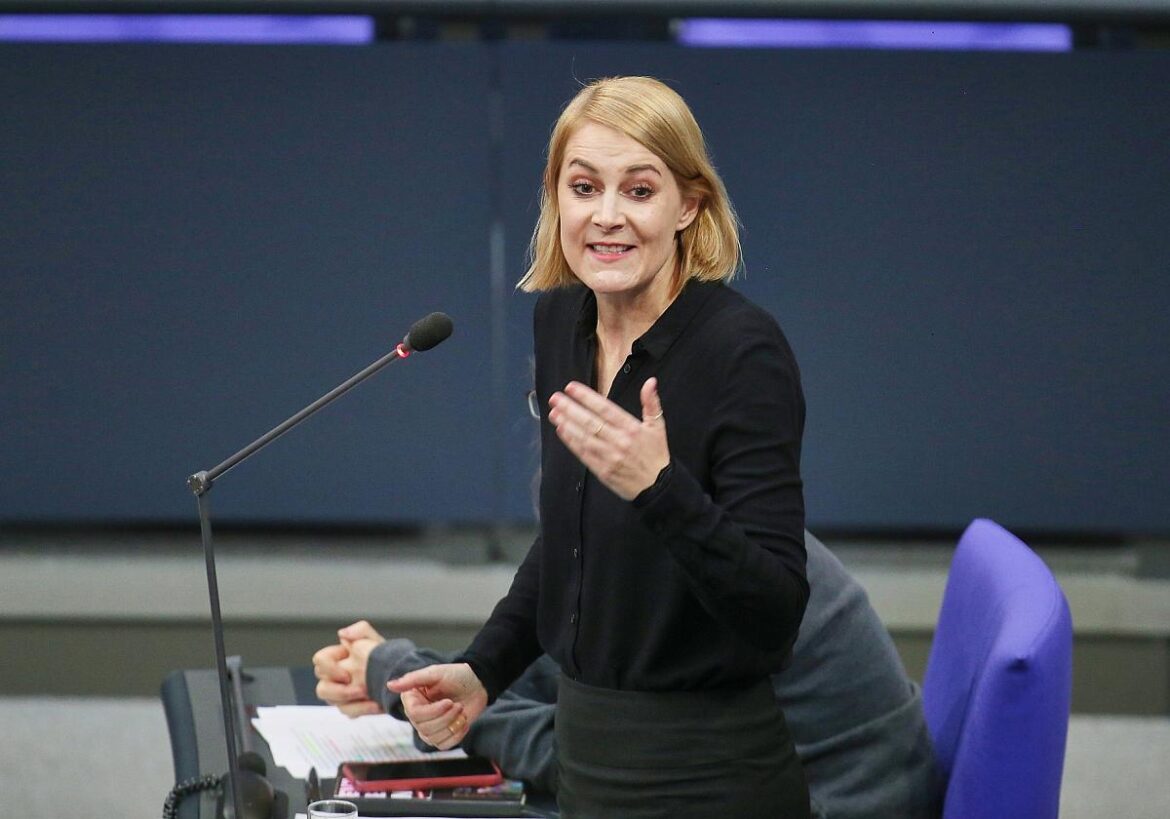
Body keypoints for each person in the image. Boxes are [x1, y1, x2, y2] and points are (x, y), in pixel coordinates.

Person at [352, 76, 810, 817]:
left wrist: (660, 488)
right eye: (584, 187)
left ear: (688, 205)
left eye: (639, 190)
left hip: (710, 777)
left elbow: (776, 612)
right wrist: (483, 669)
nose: (607, 216)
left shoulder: (742, 353)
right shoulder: (564, 320)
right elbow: (571, 539)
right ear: (555, 197)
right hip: (588, 764)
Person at [314, 531, 942, 819]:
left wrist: (402, 680)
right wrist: (424, 683)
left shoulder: (694, 560)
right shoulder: (675, 520)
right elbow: (568, 672)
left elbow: (599, 766)